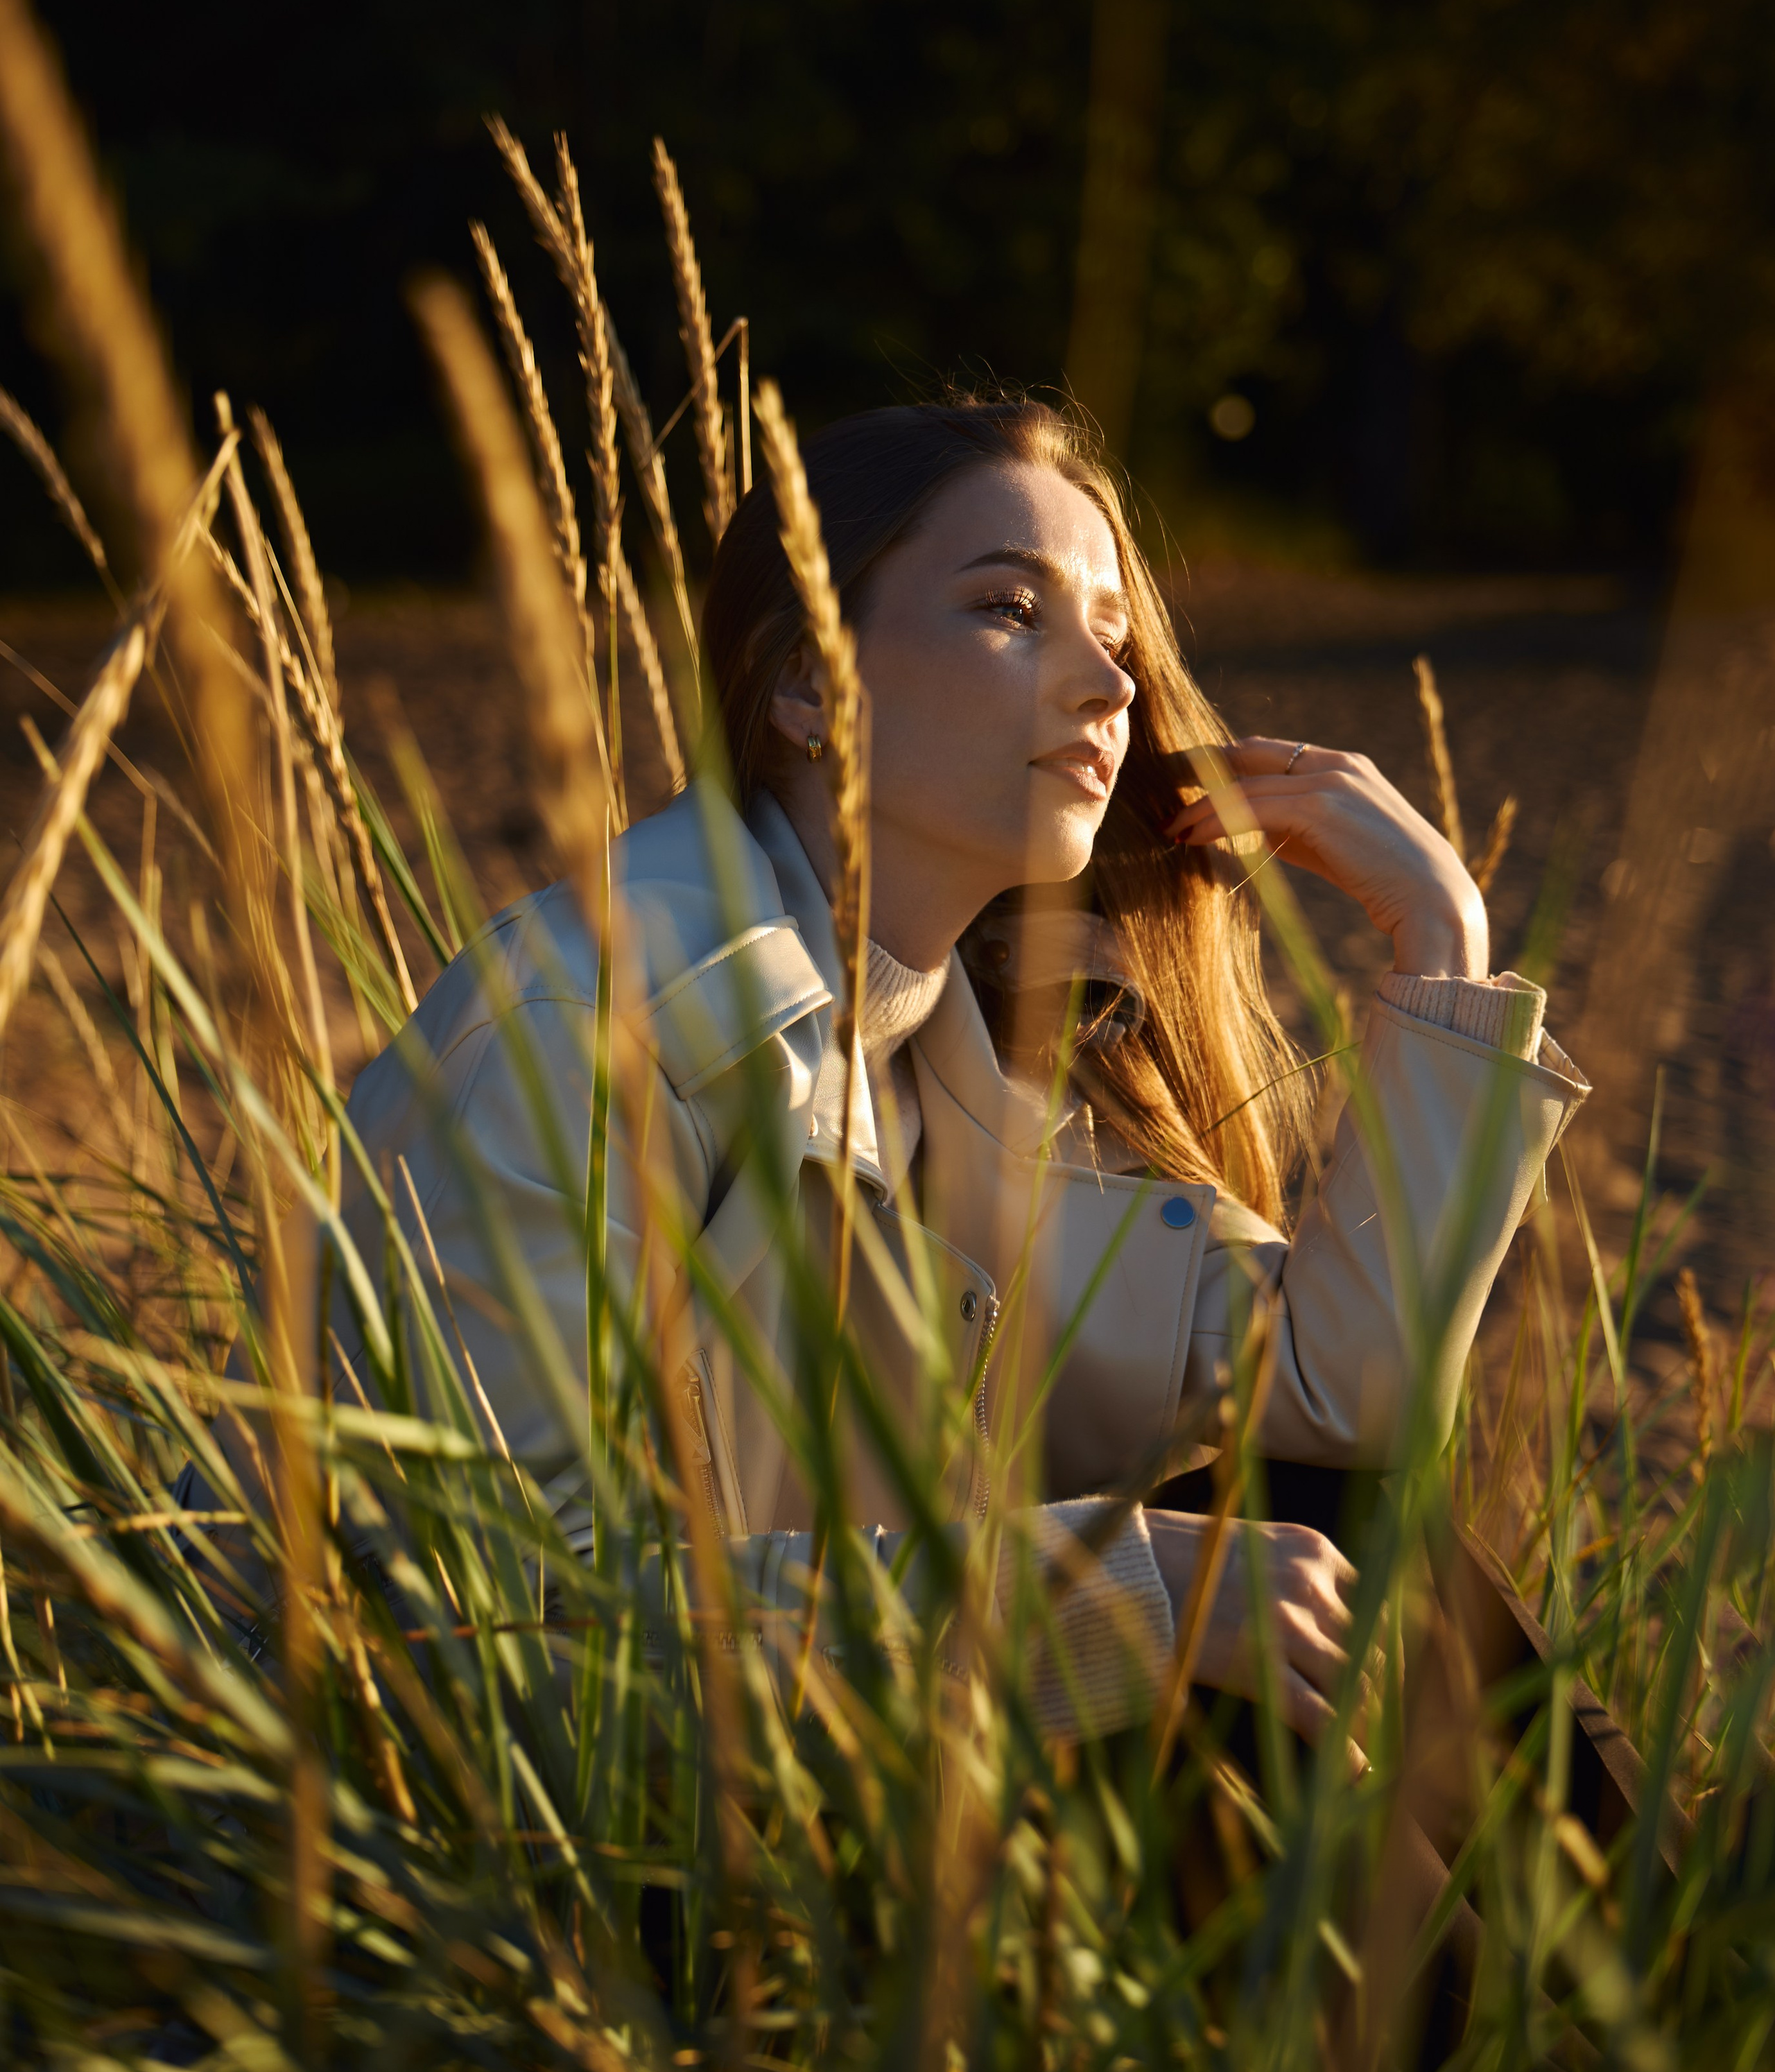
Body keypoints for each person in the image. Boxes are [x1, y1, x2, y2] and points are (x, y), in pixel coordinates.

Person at [337, 397, 1588, 1743]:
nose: (1109, 685)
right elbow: (494, 1622)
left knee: (1339, 1534)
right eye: (1010, 609)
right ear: (810, 681)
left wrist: (1441, 944)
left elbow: (1353, 1403)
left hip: (851, 1768)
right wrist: (1105, 1593)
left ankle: (1644, 1941)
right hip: (595, 1851)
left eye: (1111, 636)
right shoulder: (601, 1026)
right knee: (1218, 1611)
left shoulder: (990, 1041)